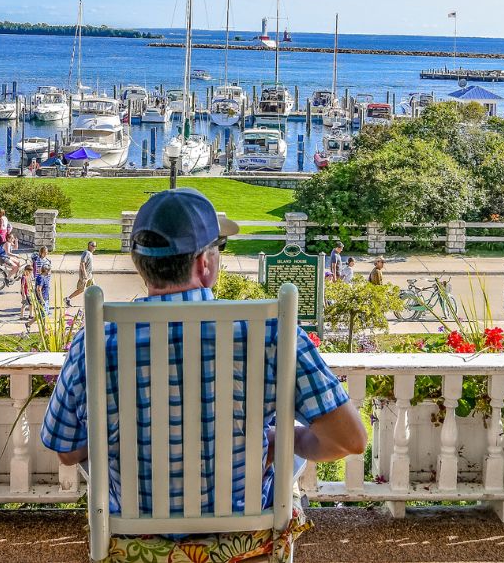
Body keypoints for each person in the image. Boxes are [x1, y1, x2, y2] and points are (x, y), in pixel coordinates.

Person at [41, 188, 366, 525]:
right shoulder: (272, 333)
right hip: (242, 534)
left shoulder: (94, 342)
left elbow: (66, 451)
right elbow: (349, 440)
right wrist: (281, 439)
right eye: (219, 247)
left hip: (139, 537)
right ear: (205, 263)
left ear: (141, 264)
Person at [66, 240, 95, 307]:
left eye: (95, 246)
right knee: (81, 289)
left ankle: (94, 302)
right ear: (89, 246)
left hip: (89, 275)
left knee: (94, 287)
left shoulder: (90, 253)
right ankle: (68, 299)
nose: (94, 247)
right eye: (93, 246)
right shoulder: (86, 253)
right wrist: (84, 275)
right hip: (85, 275)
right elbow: (82, 264)